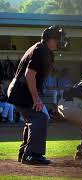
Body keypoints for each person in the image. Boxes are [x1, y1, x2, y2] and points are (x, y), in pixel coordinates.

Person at [7, 25, 67, 165]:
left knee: (34, 119)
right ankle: (31, 155)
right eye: (58, 39)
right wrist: (36, 98)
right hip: (22, 90)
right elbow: (29, 74)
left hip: (20, 89)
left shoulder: (41, 49)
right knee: (40, 117)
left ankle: (25, 153)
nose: (60, 41)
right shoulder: (41, 50)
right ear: (49, 39)